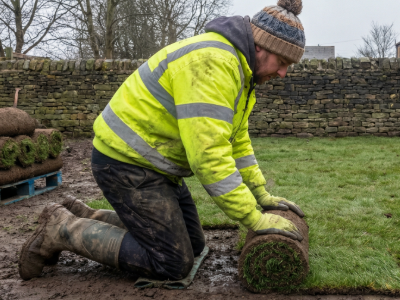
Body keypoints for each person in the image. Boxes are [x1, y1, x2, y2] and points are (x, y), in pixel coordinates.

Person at [19, 0, 306, 281]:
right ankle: (61, 229)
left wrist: (260, 193)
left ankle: (87, 216)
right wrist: (254, 218)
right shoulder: (213, 64)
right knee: (171, 262)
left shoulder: (241, 74)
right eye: (281, 62)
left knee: (193, 247)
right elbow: (209, 156)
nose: (282, 73)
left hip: (152, 164)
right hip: (125, 163)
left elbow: (237, 141)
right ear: (260, 46)